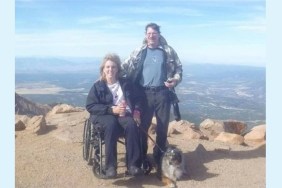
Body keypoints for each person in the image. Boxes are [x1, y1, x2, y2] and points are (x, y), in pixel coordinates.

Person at [121, 23, 183, 177]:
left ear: (158, 34)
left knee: (162, 128)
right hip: (143, 94)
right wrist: (107, 78)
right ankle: (141, 157)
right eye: (149, 33)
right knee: (142, 126)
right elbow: (124, 66)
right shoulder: (139, 51)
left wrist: (175, 80)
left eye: (154, 33)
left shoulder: (168, 51)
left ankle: (159, 157)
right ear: (145, 35)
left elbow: (179, 68)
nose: (151, 36)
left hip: (163, 94)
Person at [86, 53, 143, 178]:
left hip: (123, 114)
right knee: (111, 124)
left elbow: (138, 99)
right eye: (107, 67)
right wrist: (112, 110)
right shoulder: (98, 86)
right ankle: (110, 167)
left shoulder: (126, 84)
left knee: (132, 125)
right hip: (104, 115)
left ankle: (133, 165)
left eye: (113, 67)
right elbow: (90, 106)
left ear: (118, 69)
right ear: (103, 69)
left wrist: (136, 112)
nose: (110, 69)